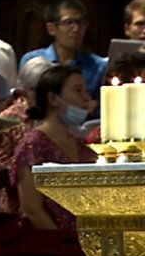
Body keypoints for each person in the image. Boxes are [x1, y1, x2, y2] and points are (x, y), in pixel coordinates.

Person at [11, 65, 97, 230]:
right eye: (78, 90)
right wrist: (66, 243)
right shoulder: (33, 144)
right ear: (53, 98)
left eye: (86, 91)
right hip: (56, 245)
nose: (87, 98)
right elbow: (32, 210)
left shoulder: (80, 144)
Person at [0, 57, 53, 214]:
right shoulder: (9, 120)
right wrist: (24, 169)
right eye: (41, 92)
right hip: (18, 207)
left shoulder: (57, 114)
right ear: (24, 92)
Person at [19, 0, 107, 101]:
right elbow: (24, 101)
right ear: (51, 28)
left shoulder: (97, 66)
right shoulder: (33, 61)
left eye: (80, 22)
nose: (76, 29)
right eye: (69, 23)